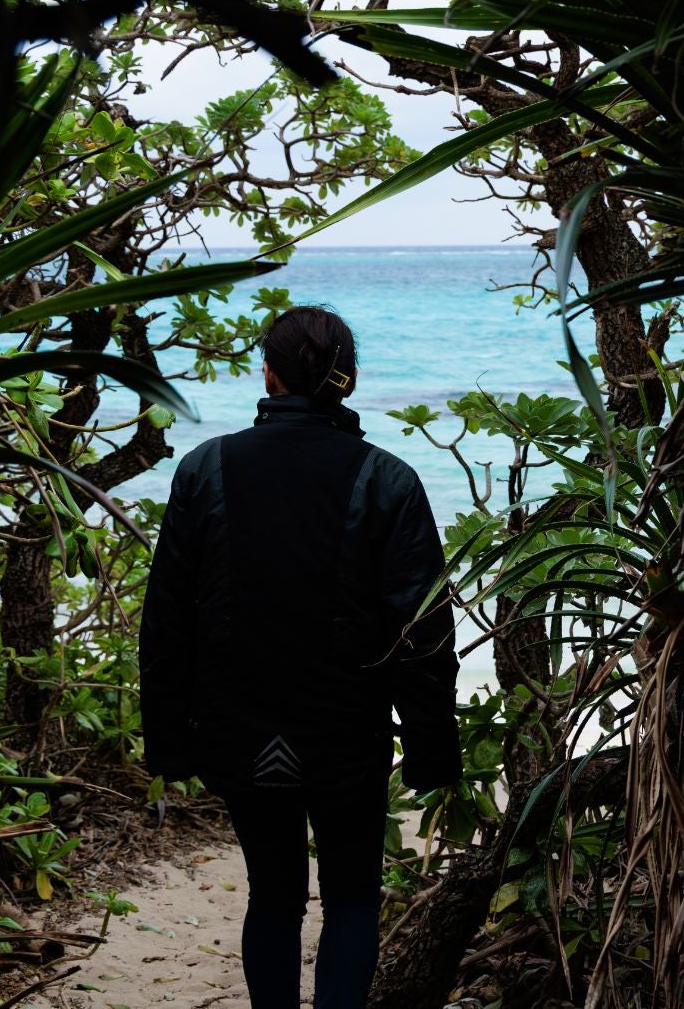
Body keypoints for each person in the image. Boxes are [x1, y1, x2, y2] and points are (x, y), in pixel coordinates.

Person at [138, 305, 461, 1008]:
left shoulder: (204, 468)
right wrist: (432, 748)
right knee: (352, 898)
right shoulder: (387, 478)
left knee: (273, 895)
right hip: (347, 737)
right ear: (349, 379)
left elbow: (166, 622)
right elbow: (423, 631)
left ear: (269, 374)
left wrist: (168, 742)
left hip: (239, 733)